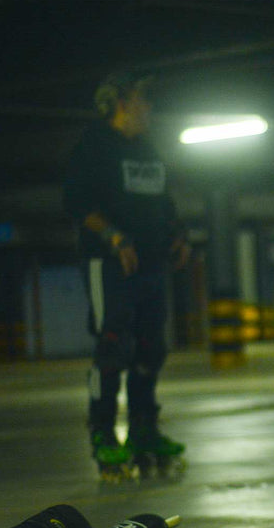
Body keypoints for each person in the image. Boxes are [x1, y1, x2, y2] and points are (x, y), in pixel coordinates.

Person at [63, 70, 190, 480]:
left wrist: (177, 235)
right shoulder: (95, 147)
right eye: (142, 100)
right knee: (113, 346)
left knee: (151, 348)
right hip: (111, 264)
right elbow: (78, 205)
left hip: (151, 263)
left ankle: (143, 431)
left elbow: (161, 202)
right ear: (121, 102)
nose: (148, 108)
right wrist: (115, 238)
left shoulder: (149, 150)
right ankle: (102, 433)